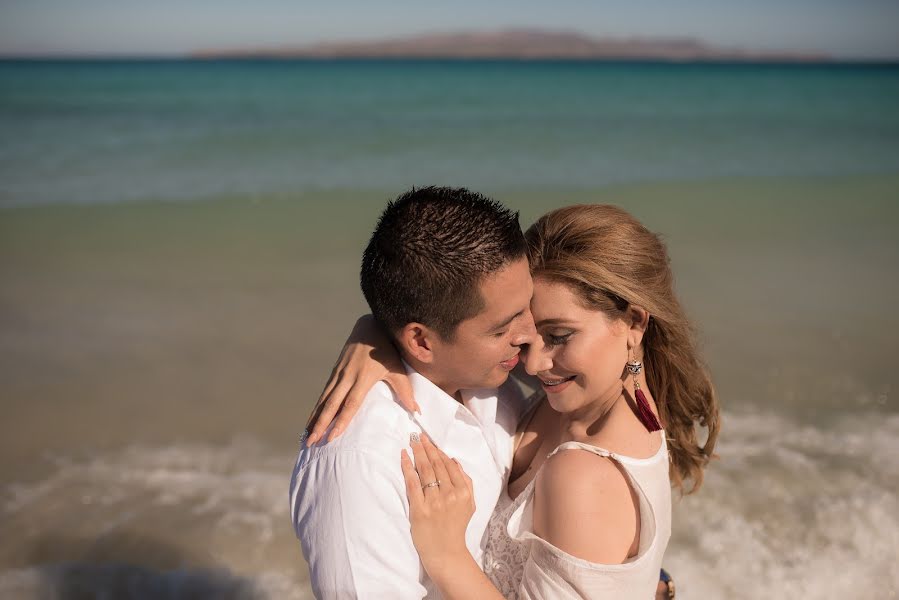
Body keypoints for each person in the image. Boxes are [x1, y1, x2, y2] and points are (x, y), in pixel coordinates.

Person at [311, 204, 719, 598]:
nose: (535, 360)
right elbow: (450, 321)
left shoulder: (584, 474)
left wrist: (447, 556)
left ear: (633, 322)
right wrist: (375, 333)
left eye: (559, 336)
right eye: (525, 327)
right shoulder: (584, 397)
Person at [290, 186, 537, 598]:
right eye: (502, 328)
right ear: (421, 342)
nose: (531, 334)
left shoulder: (490, 372)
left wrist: (370, 329)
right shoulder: (359, 462)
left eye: (528, 305)